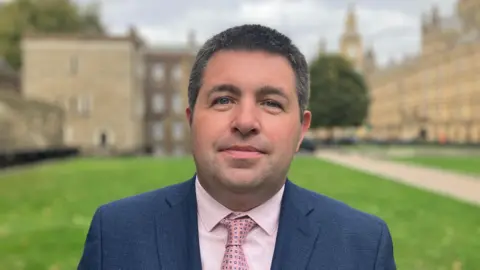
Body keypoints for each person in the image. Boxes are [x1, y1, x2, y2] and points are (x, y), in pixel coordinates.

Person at [77, 24, 396, 270]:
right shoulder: (116, 235)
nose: (245, 121)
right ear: (191, 121)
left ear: (301, 129)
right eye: (223, 100)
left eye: (271, 103)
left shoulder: (363, 246)